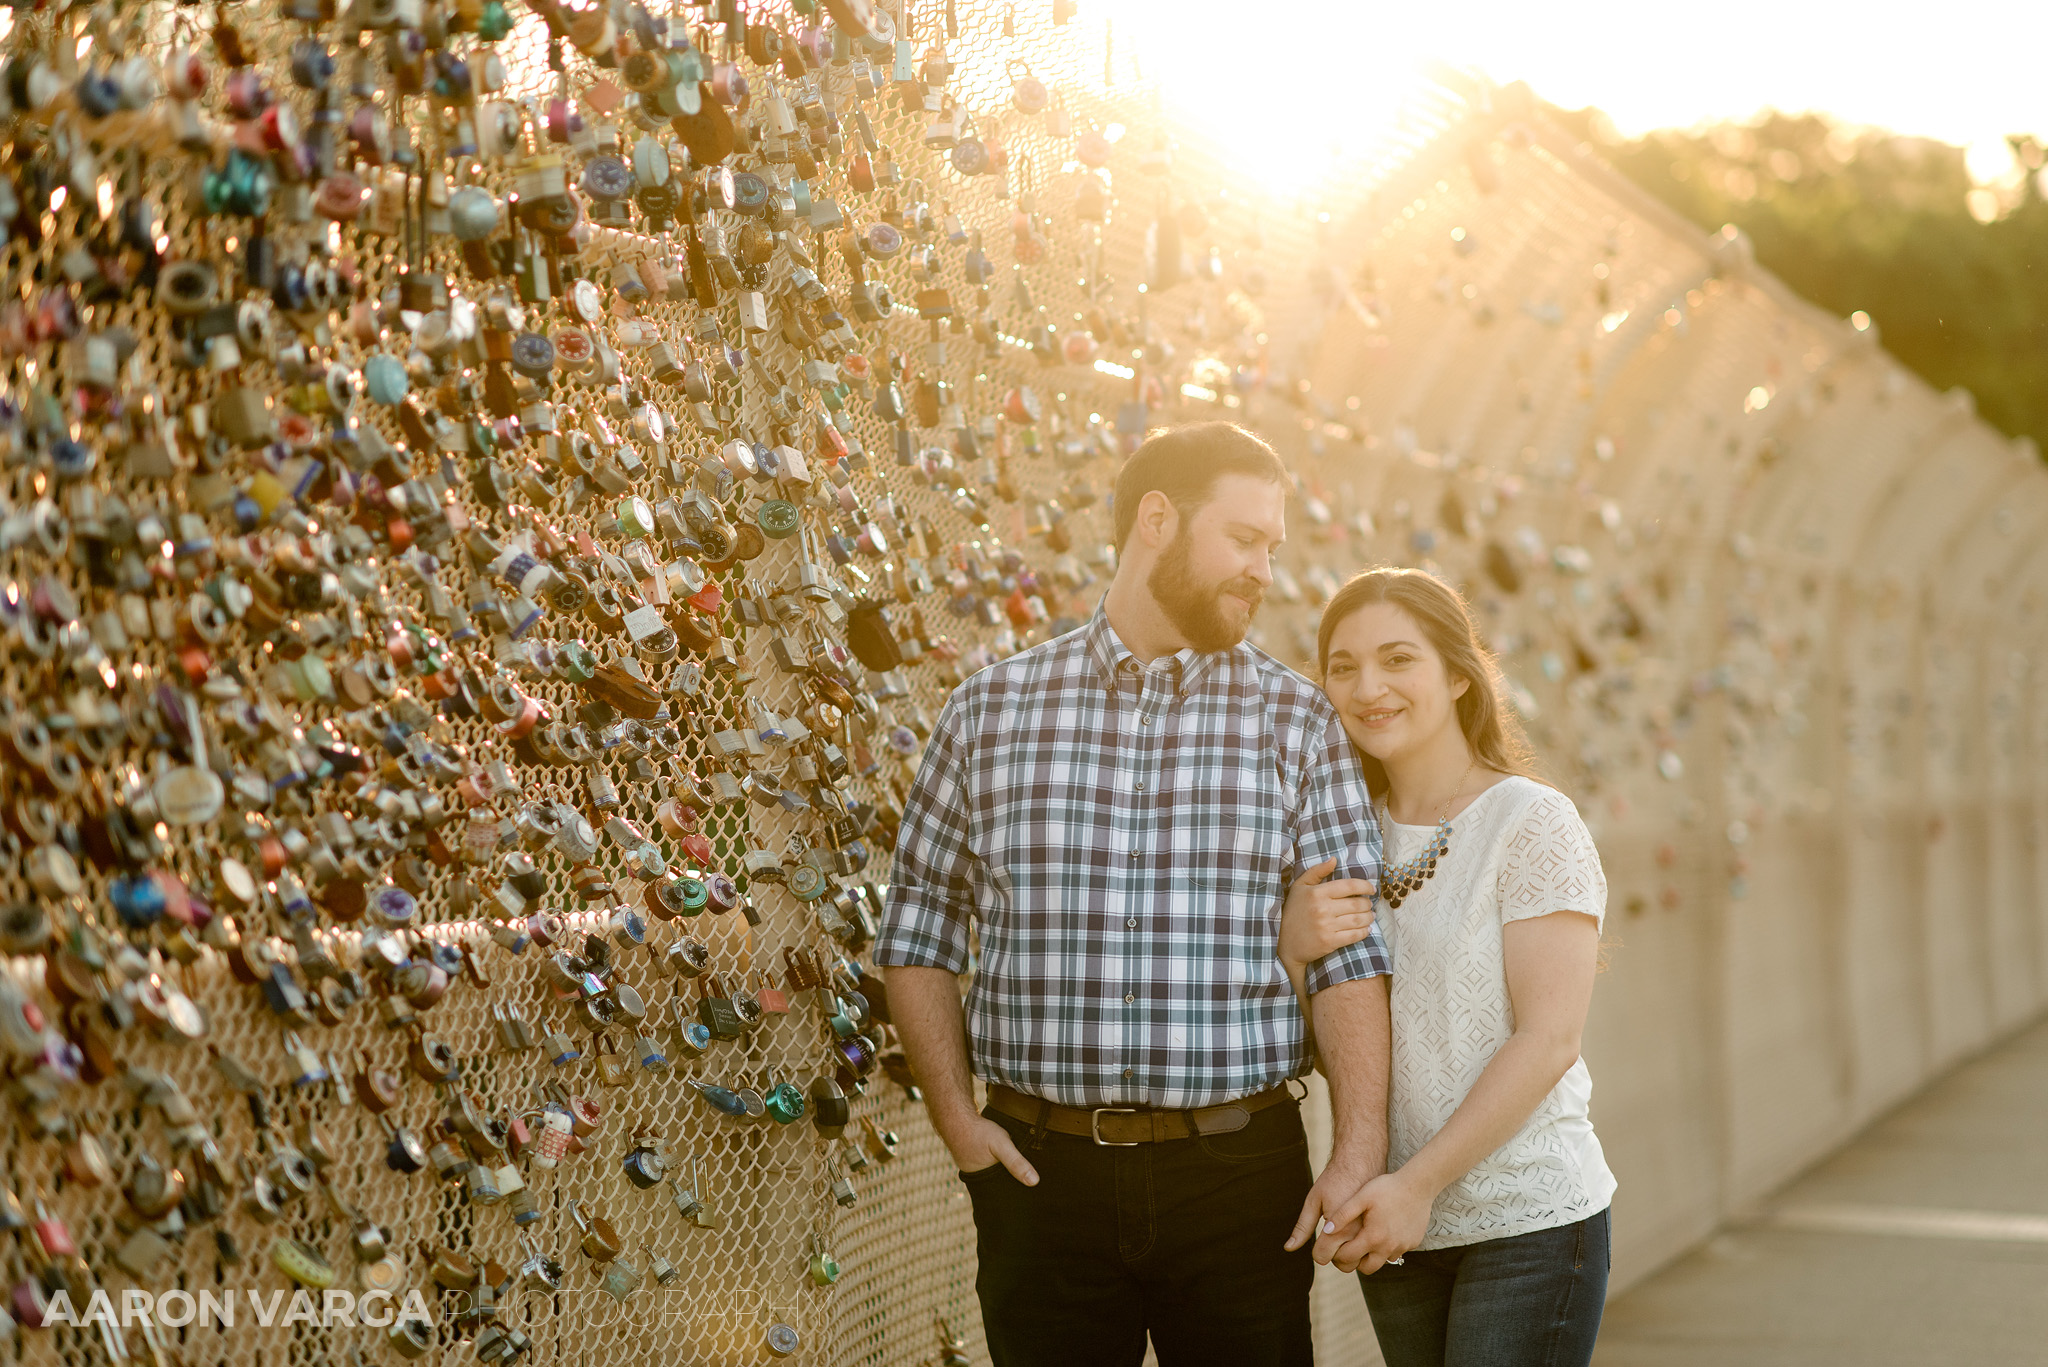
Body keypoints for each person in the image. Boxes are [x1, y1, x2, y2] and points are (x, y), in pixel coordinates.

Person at [877, 423, 1393, 1367]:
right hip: (1042, 1174)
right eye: (1244, 540)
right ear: (1157, 520)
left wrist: (1358, 1148)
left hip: (1240, 1177)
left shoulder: (1298, 720)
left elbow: (1352, 954)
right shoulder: (989, 712)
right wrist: (958, 1119)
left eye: (1272, 550)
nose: (1262, 572)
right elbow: (919, 926)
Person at [1282, 567, 1616, 1367]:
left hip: (1528, 1222)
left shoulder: (1531, 822)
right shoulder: (1337, 838)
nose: (1370, 687)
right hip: (1394, 1224)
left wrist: (1418, 1185)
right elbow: (1327, 1046)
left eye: (1399, 659)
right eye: (1343, 665)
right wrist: (1295, 951)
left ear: (1460, 675)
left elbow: (1548, 1040)